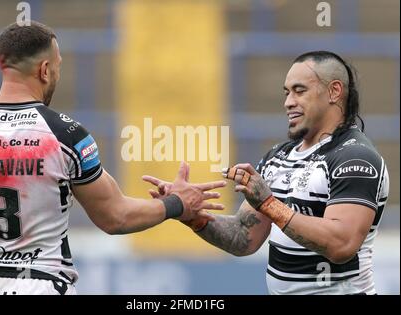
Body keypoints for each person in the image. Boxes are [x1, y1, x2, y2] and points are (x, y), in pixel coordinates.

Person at [0, 21, 226, 295]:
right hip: (42, 283)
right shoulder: (66, 134)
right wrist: (177, 203)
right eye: (57, 66)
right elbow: (115, 217)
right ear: (44, 70)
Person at [143, 51, 390, 295]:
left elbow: (341, 244)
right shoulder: (278, 156)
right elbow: (243, 238)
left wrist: (270, 205)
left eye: (299, 90)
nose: (288, 102)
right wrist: (190, 214)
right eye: (286, 92)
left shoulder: (355, 157)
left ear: (334, 92)